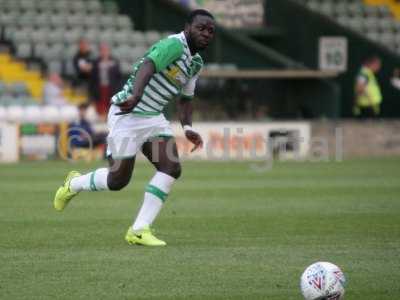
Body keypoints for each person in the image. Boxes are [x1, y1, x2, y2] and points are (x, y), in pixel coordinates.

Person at [54, 9, 216, 246]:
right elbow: (148, 65)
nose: (206, 34)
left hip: (153, 118)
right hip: (128, 113)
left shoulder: (196, 63)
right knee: (117, 180)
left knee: (171, 168)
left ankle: (139, 229)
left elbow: (185, 100)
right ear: (188, 27)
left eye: (210, 31)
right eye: (201, 28)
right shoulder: (174, 45)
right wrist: (136, 96)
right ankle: (73, 184)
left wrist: (188, 127)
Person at [89, 43, 122, 117]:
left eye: (106, 50)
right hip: (99, 89)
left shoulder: (114, 61)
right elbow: (93, 78)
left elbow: (118, 77)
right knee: (100, 109)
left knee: (110, 109)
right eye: (102, 50)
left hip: (111, 88)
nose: (104, 52)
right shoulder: (96, 62)